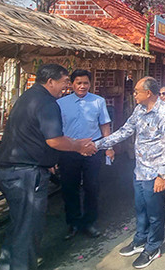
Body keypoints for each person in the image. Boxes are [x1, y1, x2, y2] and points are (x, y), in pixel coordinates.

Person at [0, 64, 96, 270]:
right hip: (24, 175)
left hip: (9, 170)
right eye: (65, 82)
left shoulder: (28, 97)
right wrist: (78, 146)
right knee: (28, 229)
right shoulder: (47, 102)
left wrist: (47, 160)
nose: (66, 87)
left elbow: (31, 136)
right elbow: (54, 140)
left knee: (18, 226)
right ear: (50, 81)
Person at [93, 76, 165, 269]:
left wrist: (161, 175)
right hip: (139, 170)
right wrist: (97, 145)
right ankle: (140, 240)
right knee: (140, 209)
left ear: (148, 93)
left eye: (137, 91)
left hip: (155, 173)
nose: (134, 94)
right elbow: (125, 131)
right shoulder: (139, 110)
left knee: (155, 213)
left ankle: (153, 247)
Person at [56, 69, 113, 240]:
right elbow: (56, 130)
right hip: (69, 150)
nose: (82, 86)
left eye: (86, 83)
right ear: (71, 84)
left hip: (92, 148)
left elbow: (105, 125)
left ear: (90, 84)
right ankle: (73, 223)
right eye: (79, 83)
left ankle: (90, 222)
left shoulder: (98, 101)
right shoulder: (60, 103)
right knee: (69, 187)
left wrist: (108, 146)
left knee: (92, 186)